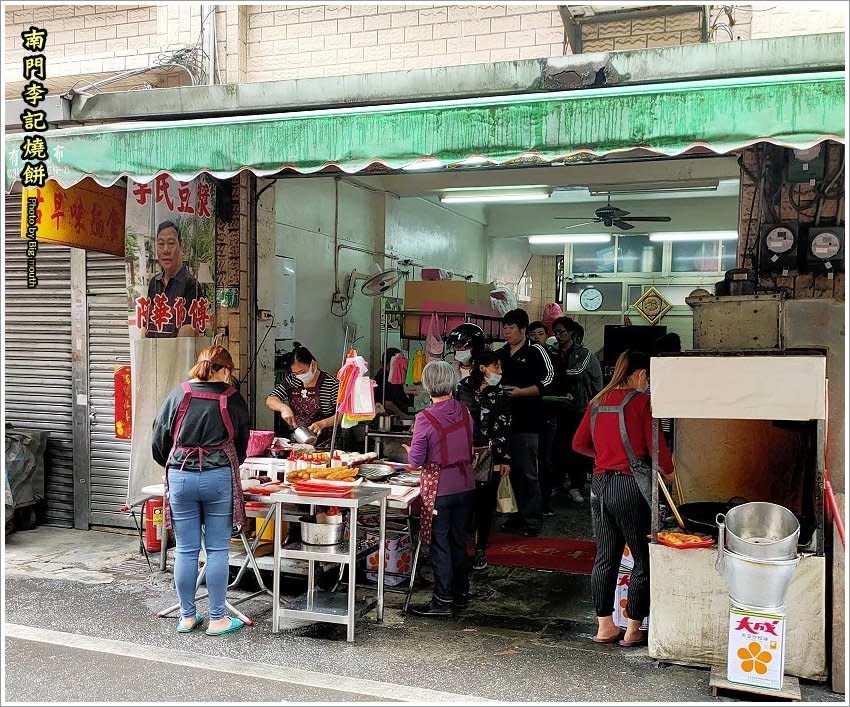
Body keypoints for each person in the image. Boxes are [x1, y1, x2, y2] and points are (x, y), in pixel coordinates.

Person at [572, 350, 674, 648]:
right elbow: (657, 448)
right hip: (630, 488)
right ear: (641, 374)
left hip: (600, 486)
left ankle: (604, 626)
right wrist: (668, 473)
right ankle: (632, 628)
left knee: (606, 556)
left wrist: (604, 457)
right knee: (643, 557)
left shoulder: (597, 401)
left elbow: (578, 444)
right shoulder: (641, 402)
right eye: (648, 377)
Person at [151, 345, 250, 636]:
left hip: (180, 477)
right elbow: (243, 440)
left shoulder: (178, 393)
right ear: (225, 370)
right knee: (217, 549)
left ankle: (186, 616)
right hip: (218, 477)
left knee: (185, 549)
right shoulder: (231, 398)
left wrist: (177, 460)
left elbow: (159, 439)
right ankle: (217, 619)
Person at [405, 361, 475, 617]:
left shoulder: (424, 418)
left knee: (441, 544)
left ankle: (442, 601)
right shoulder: (465, 412)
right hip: (466, 485)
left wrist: (410, 453)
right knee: (459, 542)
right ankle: (460, 594)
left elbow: (415, 462)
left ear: (427, 385)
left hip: (441, 489)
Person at [496, 308, 555, 537]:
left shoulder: (536, 351)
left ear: (523, 329)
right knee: (507, 473)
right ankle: (513, 516)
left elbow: (549, 379)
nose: (507, 332)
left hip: (528, 422)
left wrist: (522, 392)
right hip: (503, 424)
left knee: (528, 472)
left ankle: (532, 520)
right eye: (505, 328)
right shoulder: (501, 354)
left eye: (511, 328)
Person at [454, 349, 512, 571]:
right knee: (463, 502)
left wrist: (505, 458)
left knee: (484, 504)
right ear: (482, 368)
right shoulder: (463, 389)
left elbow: (507, 425)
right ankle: (459, 548)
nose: (499, 372)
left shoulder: (501, 395)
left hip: (491, 452)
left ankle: (480, 549)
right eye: (496, 367)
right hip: (463, 453)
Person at [550, 316, 604, 505]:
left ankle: (576, 485)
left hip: (580, 409)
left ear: (571, 332)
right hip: (559, 408)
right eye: (555, 332)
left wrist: (555, 374)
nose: (558, 336)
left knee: (578, 449)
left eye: (562, 332)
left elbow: (577, 373)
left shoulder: (584, 354)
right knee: (558, 448)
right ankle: (558, 484)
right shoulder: (554, 352)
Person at [265, 342, 340, 443]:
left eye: (302, 372)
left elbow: (342, 414)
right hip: (298, 440)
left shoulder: (331, 384)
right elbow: (271, 399)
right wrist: (284, 408)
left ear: (313, 364)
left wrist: (322, 424)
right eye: (295, 373)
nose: (300, 376)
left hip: (326, 442)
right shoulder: (292, 380)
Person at [145, 220, 203, 338]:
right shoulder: (154, 283)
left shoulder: (191, 284)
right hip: (154, 353)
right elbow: (146, 324)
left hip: (176, 353)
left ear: (181, 246)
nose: (166, 250)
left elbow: (188, 330)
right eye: (161, 244)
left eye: (171, 243)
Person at [374, 347, 414, 419]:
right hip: (391, 419)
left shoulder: (395, 376)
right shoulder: (383, 378)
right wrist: (405, 416)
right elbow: (387, 404)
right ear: (391, 362)